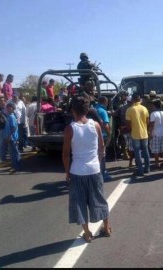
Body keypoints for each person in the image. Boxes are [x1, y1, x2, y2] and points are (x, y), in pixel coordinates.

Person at [62, 95, 111, 243]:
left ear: (73, 110)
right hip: (94, 169)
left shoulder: (70, 128)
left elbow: (65, 154)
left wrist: (67, 172)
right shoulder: (95, 125)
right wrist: (98, 161)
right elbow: (101, 147)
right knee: (100, 199)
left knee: (79, 202)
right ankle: (107, 228)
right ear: (87, 109)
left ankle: (87, 233)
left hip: (78, 171)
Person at [126, 93, 150, 177]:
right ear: (139, 99)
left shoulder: (130, 109)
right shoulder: (144, 108)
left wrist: (131, 130)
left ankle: (140, 170)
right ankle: (147, 168)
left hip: (135, 133)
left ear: (132, 99)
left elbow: (128, 124)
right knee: (145, 151)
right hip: (144, 133)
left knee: (137, 152)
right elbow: (147, 121)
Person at [95, 96, 112, 181]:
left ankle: (96, 172)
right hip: (102, 135)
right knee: (102, 154)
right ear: (105, 102)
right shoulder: (103, 111)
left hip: (94, 135)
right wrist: (109, 134)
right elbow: (106, 125)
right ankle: (103, 173)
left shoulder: (94, 109)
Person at [149, 99, 163, 169]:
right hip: (162, 132)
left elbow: (151, 125)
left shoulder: (153, 114)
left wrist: (150, 134)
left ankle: (157, 163)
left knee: (156, 150)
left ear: (154, 105)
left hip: (155, 133)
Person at [5, 102, 21, 173]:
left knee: (14, 152)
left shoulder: (11, 116)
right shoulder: (9, 116)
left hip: (12, 137)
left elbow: (13, 127)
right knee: (12, 153)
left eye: (10, 107)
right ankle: (15, 166)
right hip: (10, 137)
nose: (8, 109)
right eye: (7, 107)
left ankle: (16, 167)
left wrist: (9, 136)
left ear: (13, 108)